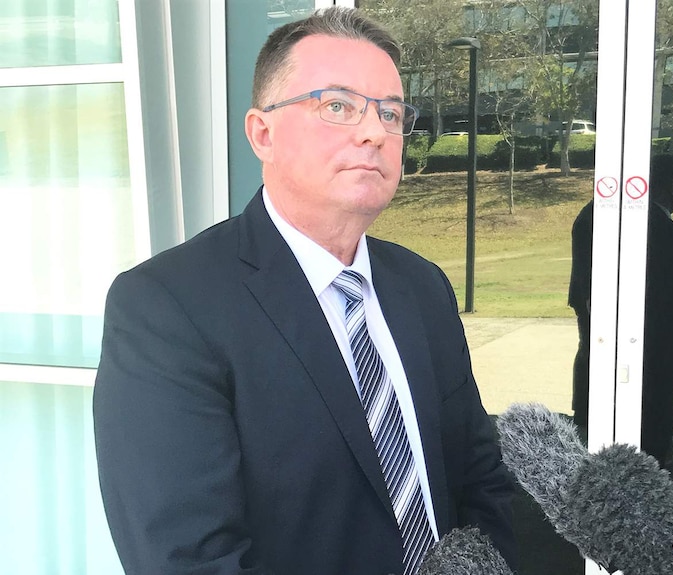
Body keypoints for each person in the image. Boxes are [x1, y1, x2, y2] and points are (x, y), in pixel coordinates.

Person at [92, 8, 516, 575]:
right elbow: (189, 559)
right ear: (262, 133)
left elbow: (480, 476)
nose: (373, 131)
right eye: (337, 106)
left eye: (391, 113)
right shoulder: (167, 308)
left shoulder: (421, 286)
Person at [641, 153, 673, 468]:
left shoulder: (645, 222)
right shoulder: (663, 231)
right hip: (663, 341)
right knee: (658, 411)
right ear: (670, 186)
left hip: (652, 338)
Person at [568, 199, 593, 431]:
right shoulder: (592, 216)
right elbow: (585, 261)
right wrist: (588, 294)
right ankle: (583, 408)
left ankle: (583, 407)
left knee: (588, 349)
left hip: (586, 294)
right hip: (590, 296)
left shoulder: (589, 213)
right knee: (589, 349)